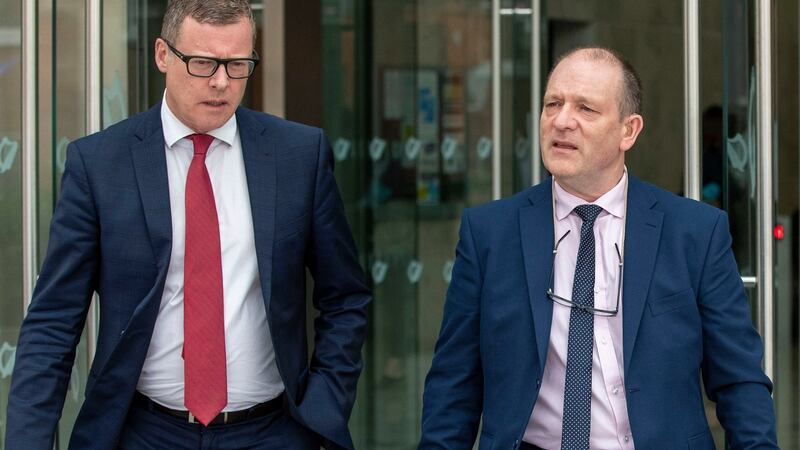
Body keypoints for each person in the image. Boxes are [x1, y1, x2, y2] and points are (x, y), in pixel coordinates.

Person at [5, 1, 370, 449]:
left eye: (237, 65)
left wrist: (324, 406)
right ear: (163, 55)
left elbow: (345, 296)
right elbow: (54, 321)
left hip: (271, 432)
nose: (221, 82)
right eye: (202, 63)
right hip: (142, 432)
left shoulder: (299, 155)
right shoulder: (99, 164)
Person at [419, 47, 777, 449]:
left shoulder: (695, 232)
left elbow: (739, 380)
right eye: (553, 104)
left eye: (585, 109)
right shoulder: (488, 233)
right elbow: (453, 385)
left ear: (629, 131)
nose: (561, 121)